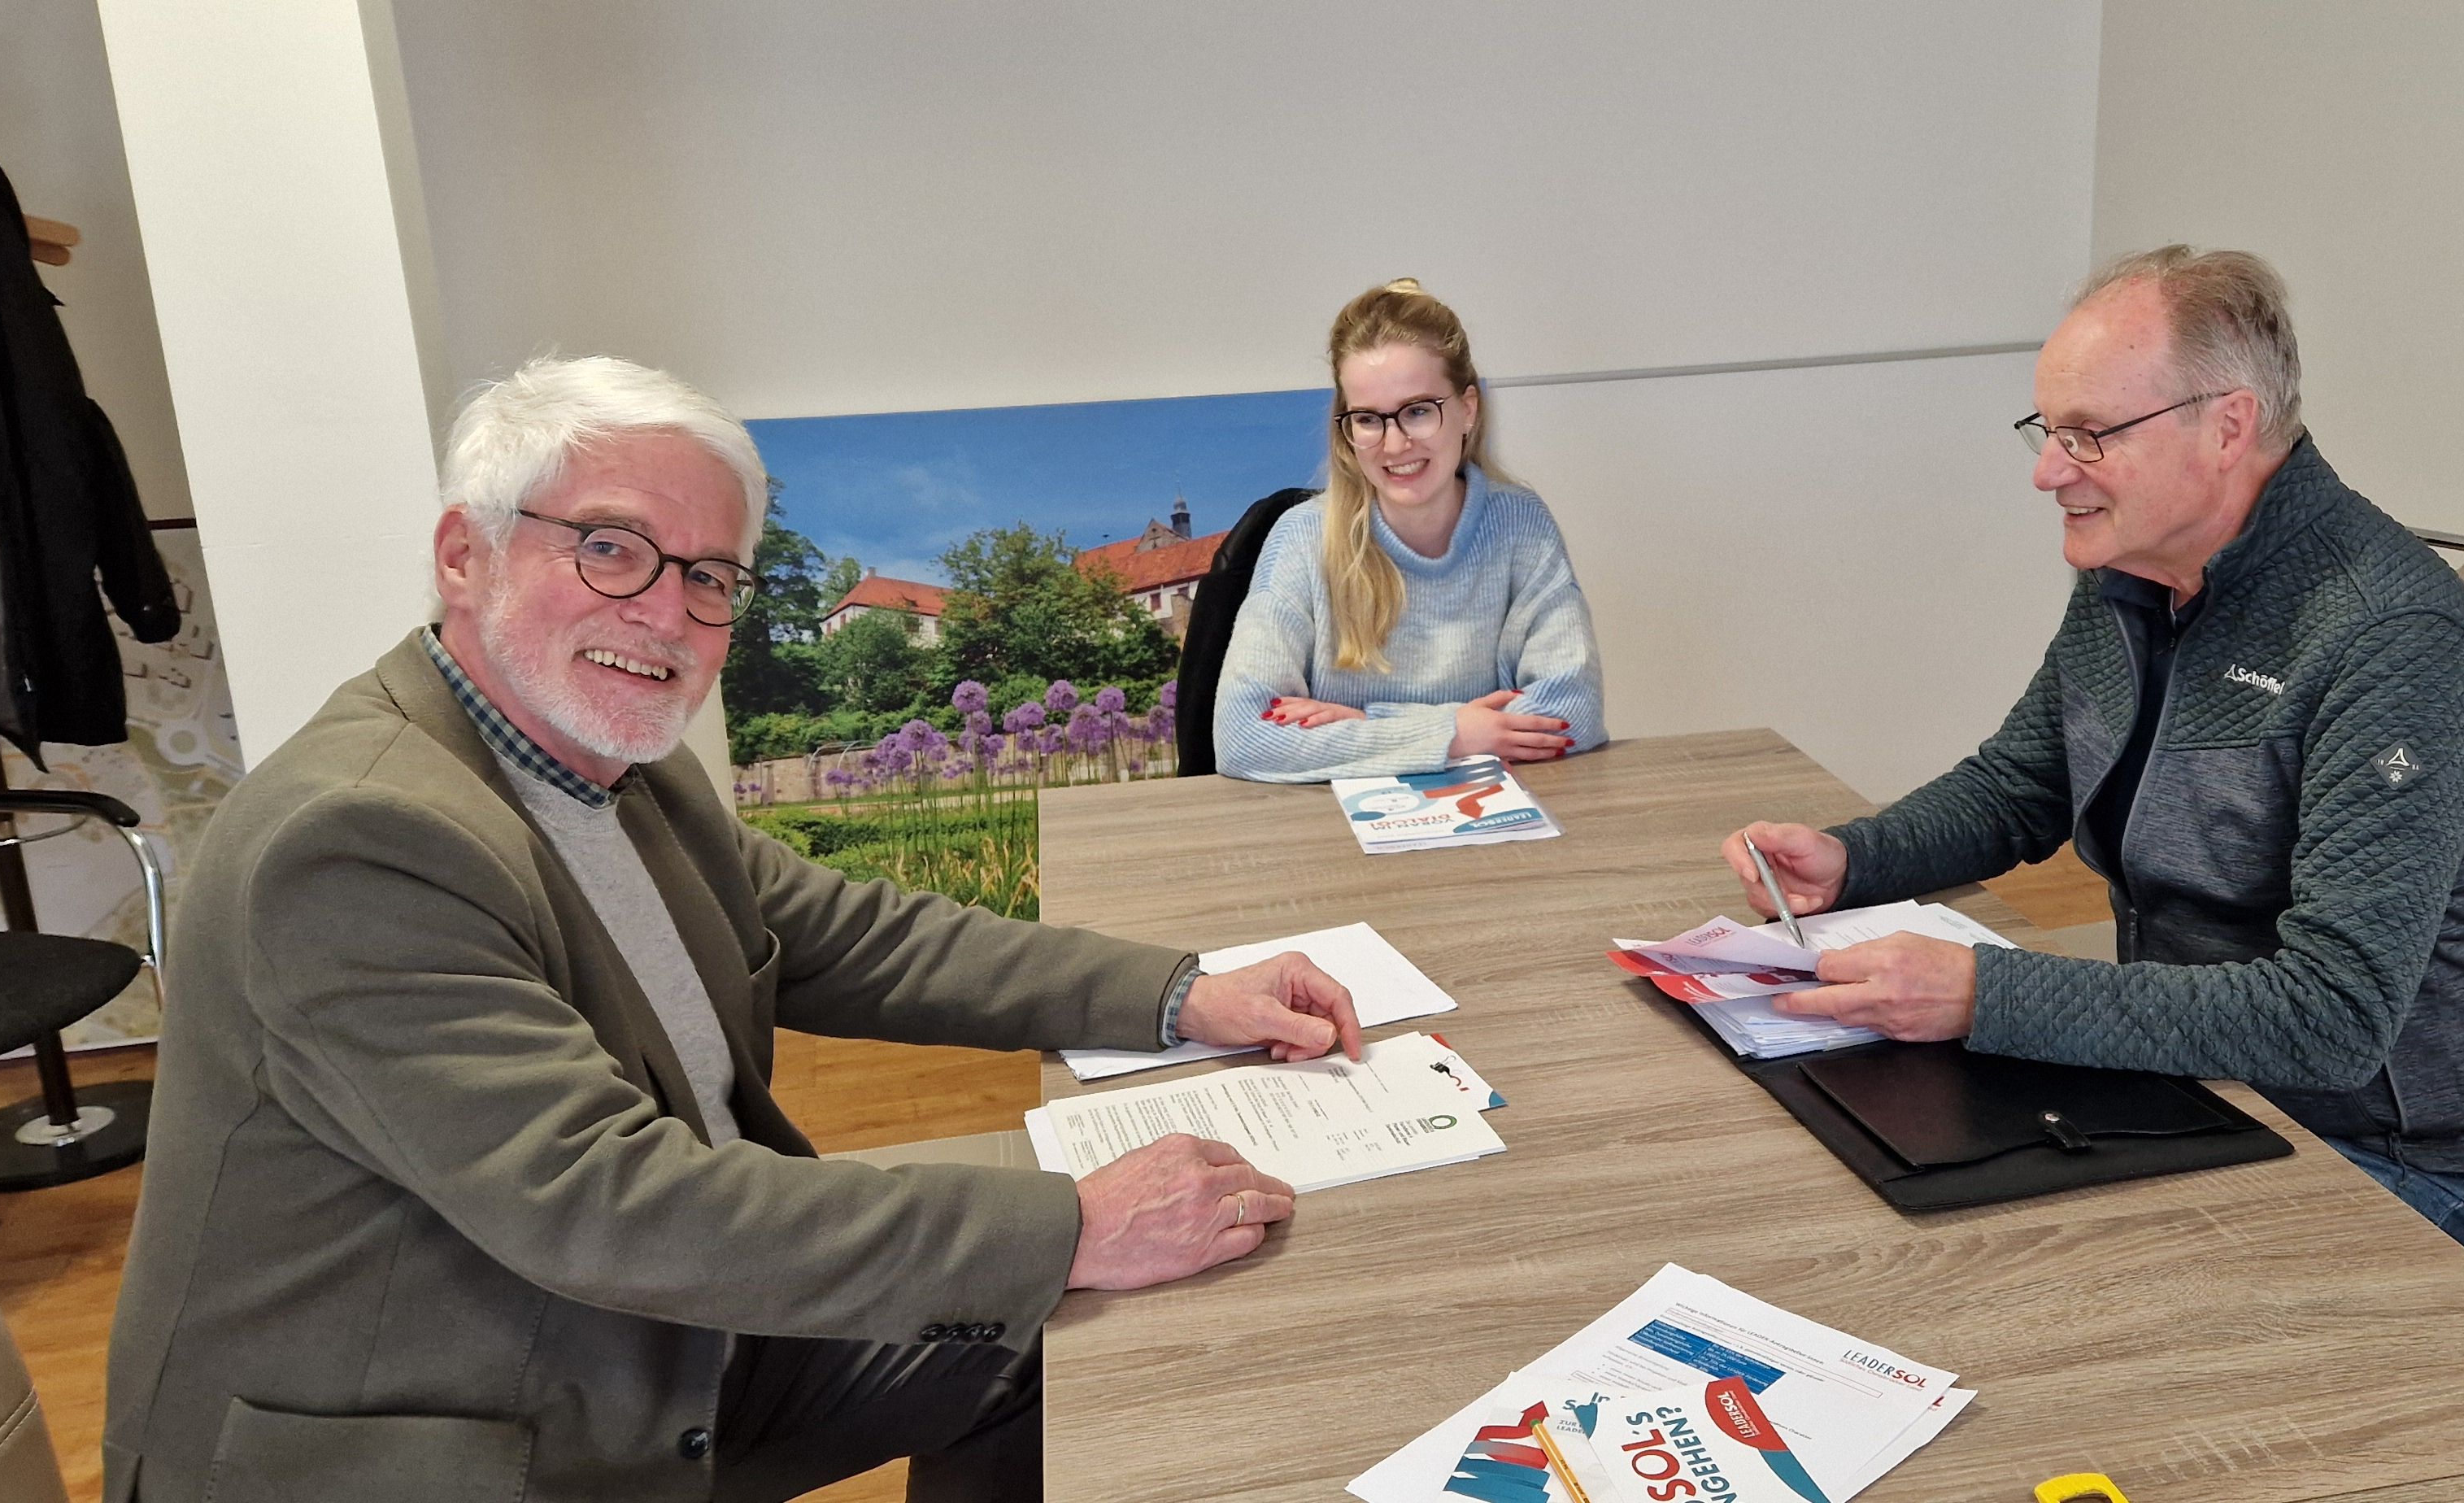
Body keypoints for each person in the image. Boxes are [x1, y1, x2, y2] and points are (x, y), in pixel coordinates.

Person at [104, 355, 1363, 1503]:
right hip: (446, 1438)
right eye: (612, 548)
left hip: (637, 1329)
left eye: (709, 576)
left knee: (1029, 1337)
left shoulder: (611, 765)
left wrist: (1183, 993)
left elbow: (858, 936)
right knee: (1044, 1273)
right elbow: (607, 1205)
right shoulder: (357, 844)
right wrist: (1076, 1225)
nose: (668, 612)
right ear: (463, 554)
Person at [1722, 247, 2464, 1277]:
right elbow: (2023, 784)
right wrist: (1853, 860)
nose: (2047, 470)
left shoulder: (2394, 641)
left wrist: (1987, 995)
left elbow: (2332, 1019)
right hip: (2205, 1090)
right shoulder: (2135, 567)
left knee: (1998, 1279)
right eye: (2046, 430)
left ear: (2228, 426)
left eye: (2088, 436)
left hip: (2409, 1166)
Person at [1212, 278, 1605, 782]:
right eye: (1369, 419)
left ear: (1467, 409)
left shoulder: (1520, 524)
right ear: (1347, 429)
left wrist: (1370, 725)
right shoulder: (1301, 539)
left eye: (1418, 411)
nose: (1394, 444)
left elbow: (1572, 714)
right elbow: (1243, 737)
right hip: (1333, 843)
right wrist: (1457, 733)